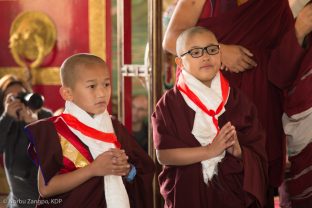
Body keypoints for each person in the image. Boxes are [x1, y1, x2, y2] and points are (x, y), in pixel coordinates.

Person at [162, 1, 311, 206]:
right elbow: (171, 39)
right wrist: (220, 51)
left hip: (259, 102)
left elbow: (284, 55)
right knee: (203, 183)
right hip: (209, 97)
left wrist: (300, 28)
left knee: (253, 177)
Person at [152, 26, 267, 208]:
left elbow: (257, 148)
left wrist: (239, 152)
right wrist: (210, 151)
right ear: (180, 62)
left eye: (212, 50)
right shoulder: (169, 103)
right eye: (196, 52)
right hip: (188, 194)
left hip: (232, 193)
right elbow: (164, 155)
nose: (206, 56)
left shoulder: (237, 99)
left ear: (220, 55)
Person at [24, 53, 155, 208]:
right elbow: (46, 189)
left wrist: (127, 170)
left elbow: (140, 170)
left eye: (106, 84)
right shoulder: (55, 130)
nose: (102, 93)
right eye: (92, 86)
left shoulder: (114, 127)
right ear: (68, 93)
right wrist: (92, 170)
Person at [0, 75, 52, 208]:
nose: (18, 101)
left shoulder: (44, 116)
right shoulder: (5, 120)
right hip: (16, 201)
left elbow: (52, 156)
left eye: (22, 95)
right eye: (12, 98)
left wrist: (34, 125)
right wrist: (7, 117)